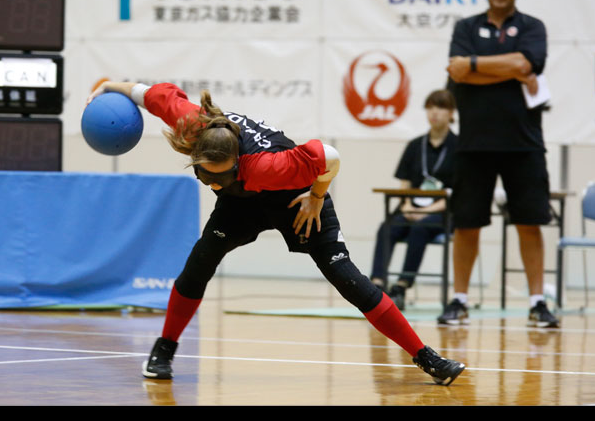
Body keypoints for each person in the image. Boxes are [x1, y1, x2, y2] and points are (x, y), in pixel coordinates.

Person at [86, 80, 466, 385]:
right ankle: (164, 348)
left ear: (237, 162)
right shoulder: (193, 126)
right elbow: (153, 95)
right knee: (199, 263)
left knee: (350, 281)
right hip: (243, 204)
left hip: (295, 200)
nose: (214, 185)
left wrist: (317, 195)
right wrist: (109, 86)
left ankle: (425, 357)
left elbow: (329, 155)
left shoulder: (269, 166)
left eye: (222, 177)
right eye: (206, 177)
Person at [442, 0, 559, 328]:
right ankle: (459, 300)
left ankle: (538, 302)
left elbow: (528, 64)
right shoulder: (466, 26)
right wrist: (508, 69)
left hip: (523, 144)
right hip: (473, 145)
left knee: (529, 223)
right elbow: (457, 73)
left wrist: (474, 65)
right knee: (467, 224)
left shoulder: (532, 27)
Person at [371, 89, 458, 310]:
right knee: (387, 227)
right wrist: (407, 205)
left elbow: (455, 193)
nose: (434, 113)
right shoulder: (415, 145)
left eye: (440, 107)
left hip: (442, 213)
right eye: (430, 107)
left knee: (419, 229)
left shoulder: (459, 147)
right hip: (412, 207)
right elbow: (405, 184)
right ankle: (377, 285)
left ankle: (401, 285)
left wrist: (425, 212)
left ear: (451, 113)